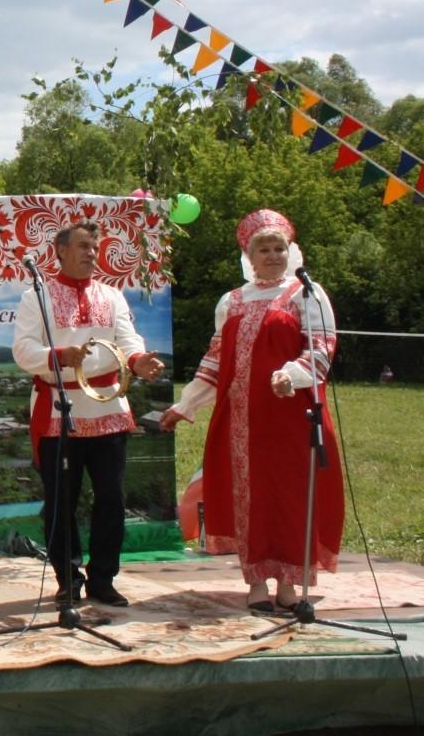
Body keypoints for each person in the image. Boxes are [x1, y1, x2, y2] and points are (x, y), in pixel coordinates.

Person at [161, 208, 342, 613]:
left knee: (289, 494)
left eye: (280, 247)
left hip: (291, 415)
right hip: (241, 419)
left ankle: (290, 584)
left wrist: (293, 375)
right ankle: (257, 580)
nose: (274, 255)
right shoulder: (232, 301)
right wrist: (185, 404)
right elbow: (215, 360)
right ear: (249, 254)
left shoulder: (305, 294)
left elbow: (322, 347)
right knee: (250, 497)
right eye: (265, 248)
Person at [13, 219, 165, 608]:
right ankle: (69, 579)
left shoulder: (112, 296)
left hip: (109, 406)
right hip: (58, 409)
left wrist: (139, 359)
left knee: (112, 498)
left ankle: (103, 579)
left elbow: (128, 339)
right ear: (61, 251)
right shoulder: (38, 296)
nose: (89, 254)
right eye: (82, 246)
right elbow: (23, 350)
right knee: (62, 501)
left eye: (94, 248)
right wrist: (58, 356)